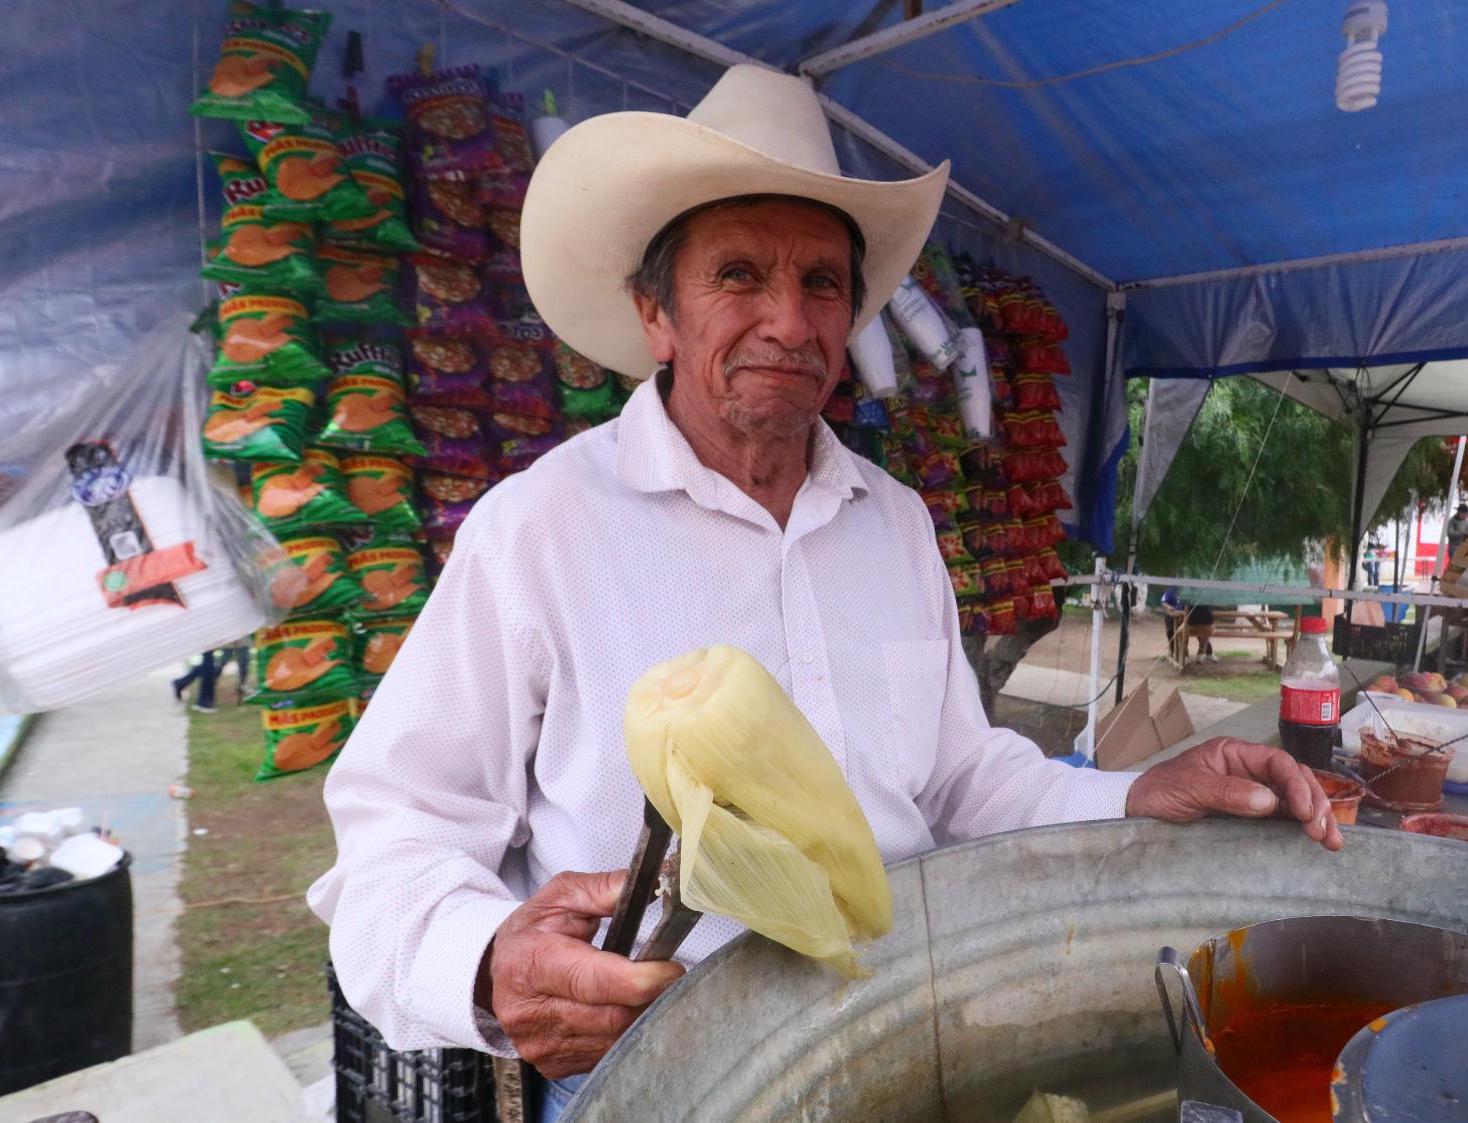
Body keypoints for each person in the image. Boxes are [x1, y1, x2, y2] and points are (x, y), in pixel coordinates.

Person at [308, 65, 1341, 1115]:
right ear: (654, 313)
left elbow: (955, 780)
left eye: (821, 285)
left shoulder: (891, 522)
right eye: (740, 274)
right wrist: (484, 960)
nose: (790, 322)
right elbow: (397, 830)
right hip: (660, 1078)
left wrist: (1133, 790)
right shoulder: (539, 530)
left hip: (898, 1035)